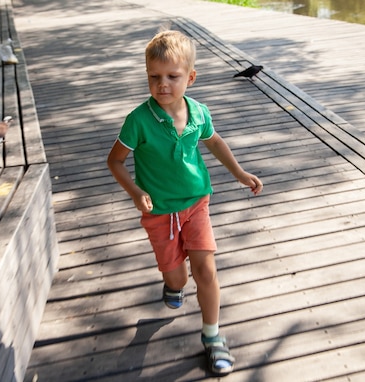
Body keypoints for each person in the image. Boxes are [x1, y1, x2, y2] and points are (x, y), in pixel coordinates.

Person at [106, 29, 263, 376]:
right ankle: (172, 283)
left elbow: (215, 142)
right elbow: (114, 161)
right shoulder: (138, 120)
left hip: (196, 202)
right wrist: (135, 192)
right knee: (178, 279)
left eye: (172, 77)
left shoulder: (199, 112)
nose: (163, 84)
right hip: (159, 211)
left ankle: (212, 337)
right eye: (154, 77)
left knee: (205, 269)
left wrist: (239, 172)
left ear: (190, 78)